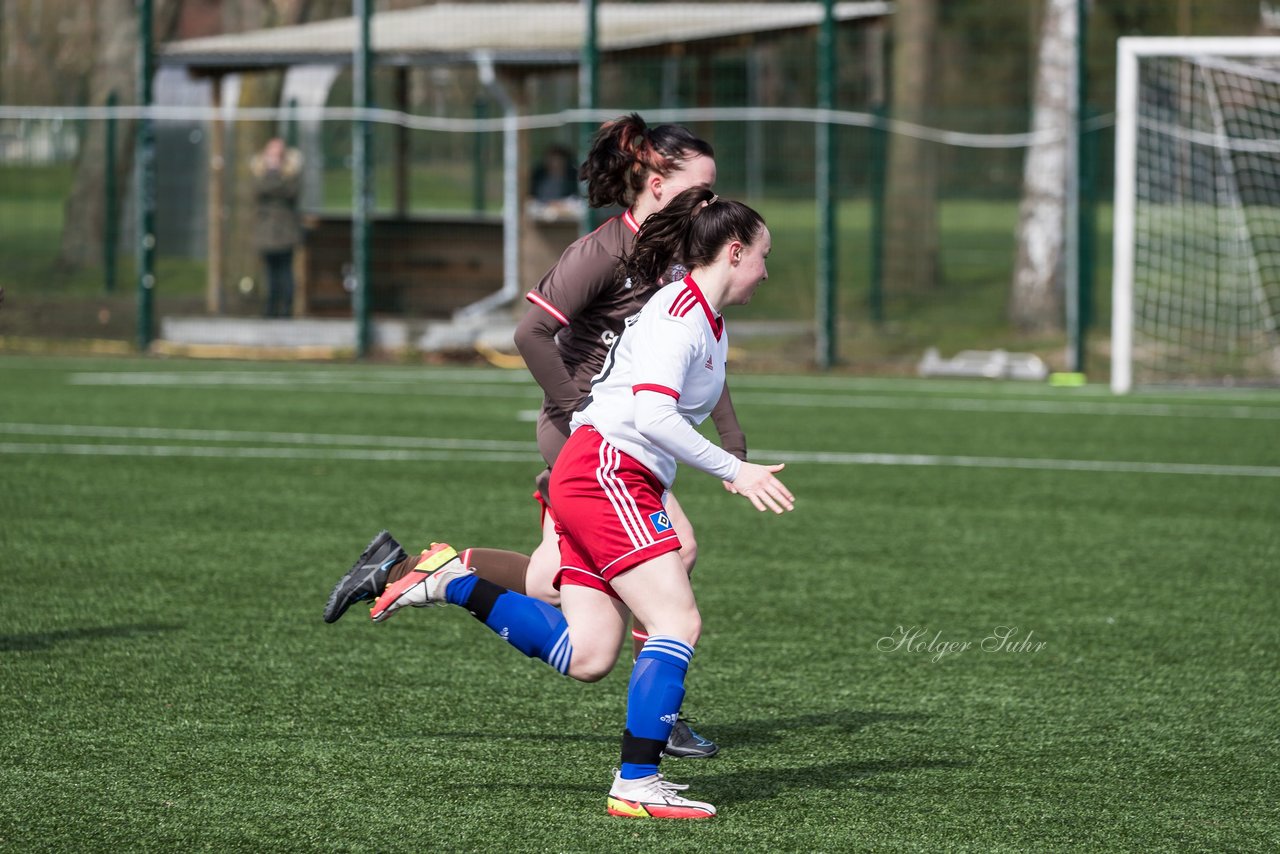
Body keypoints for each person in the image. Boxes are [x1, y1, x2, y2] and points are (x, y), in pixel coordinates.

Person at [366, 187, 794, 819]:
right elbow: (651, 413)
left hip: (601, 472)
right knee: (677, 621)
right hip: (607, 473)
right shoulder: (680, 317)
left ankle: (452, 583)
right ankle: (637, 782)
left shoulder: (706, 315)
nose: (766, 268)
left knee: (590, 655)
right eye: (763, 255)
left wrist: (730, 453)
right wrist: (735, 467)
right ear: (735, 252)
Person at [323, 114, 737, 759]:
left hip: (611, 433)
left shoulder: (677, 258)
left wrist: (730, 435)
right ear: (656, 183)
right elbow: (528, 335)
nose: (709, 204)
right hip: (581, 434)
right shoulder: (601, 252)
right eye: (700, 190)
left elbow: (695, 358)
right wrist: (577, 410)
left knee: (551, 581)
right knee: (675, 549)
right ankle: (665, 711)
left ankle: (411, 568)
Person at [250, 136, 303, 318]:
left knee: (286, 272)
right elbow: (259, 189)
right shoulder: (259, 174)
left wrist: (275, 178)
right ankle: (270, 310)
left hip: (286, 232)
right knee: (270, 274)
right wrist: (273, 175)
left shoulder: (292, 174)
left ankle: (287, 309)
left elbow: (290, 192)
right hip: (266, 233)